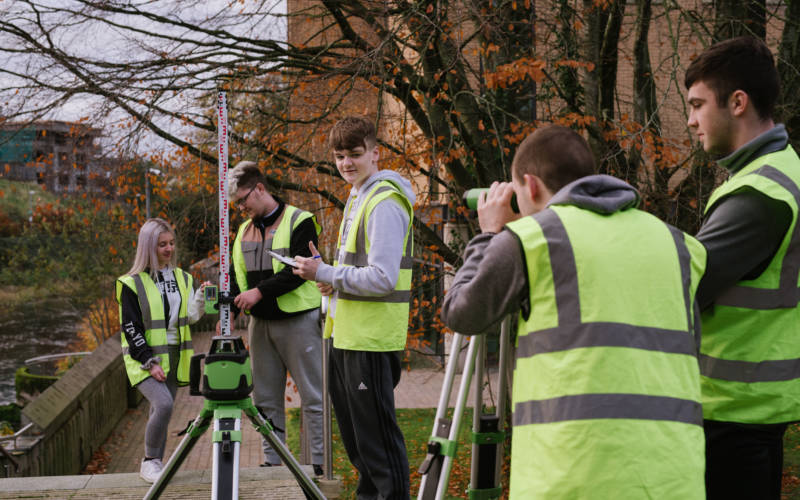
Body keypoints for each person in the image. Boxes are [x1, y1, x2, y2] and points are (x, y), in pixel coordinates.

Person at [440, 125, 707, 498]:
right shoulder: (679, 245)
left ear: (529, 187)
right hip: (671, 475)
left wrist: (489, 234)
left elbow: (461, 313)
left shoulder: (532, 239)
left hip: (573, 473)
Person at [685, 36, 800, 500]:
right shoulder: (773, 172)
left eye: (696, 105)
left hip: (733, 411)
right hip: (750, 407)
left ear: (737, 102)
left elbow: (683, 283)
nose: (691, 121)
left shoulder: (760, 194)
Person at [293, 116, 414, 500]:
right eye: (340, 156)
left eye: (355, 154)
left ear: (375, 154)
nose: (346, 163)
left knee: (378, 448)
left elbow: (382, 277)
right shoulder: (358, 195)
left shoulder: (383, 203)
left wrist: (328, 270)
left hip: (370, 341)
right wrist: (329, 279)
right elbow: (358, 271)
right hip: (346, 335)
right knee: (360, 449)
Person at [224, 161, 324, 475]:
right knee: (265, 399)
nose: (242, 208)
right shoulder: (242, 230)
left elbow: (299, 272)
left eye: (244, 200)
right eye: (237, 204)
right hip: (260, 325)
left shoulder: (301, 220)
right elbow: (235, 276)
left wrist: (259, 293)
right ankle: (273, 461)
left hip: (299, 321)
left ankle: (319, 463)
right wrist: (228, 311)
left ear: (261, 188)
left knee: (314, 396)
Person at [116, 218, 210, 483]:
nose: (169, 249)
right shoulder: (131, 283)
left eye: (171, 243)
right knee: (164, 404)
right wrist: (148, 361)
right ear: (148, 247)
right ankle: (149, 461)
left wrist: (200, 298)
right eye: (161, 245)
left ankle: (156, 463)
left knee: (161, 411)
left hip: (175, 354)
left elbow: (190, 317)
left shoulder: (182, 277)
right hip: (143, 356)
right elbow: (130, 328)